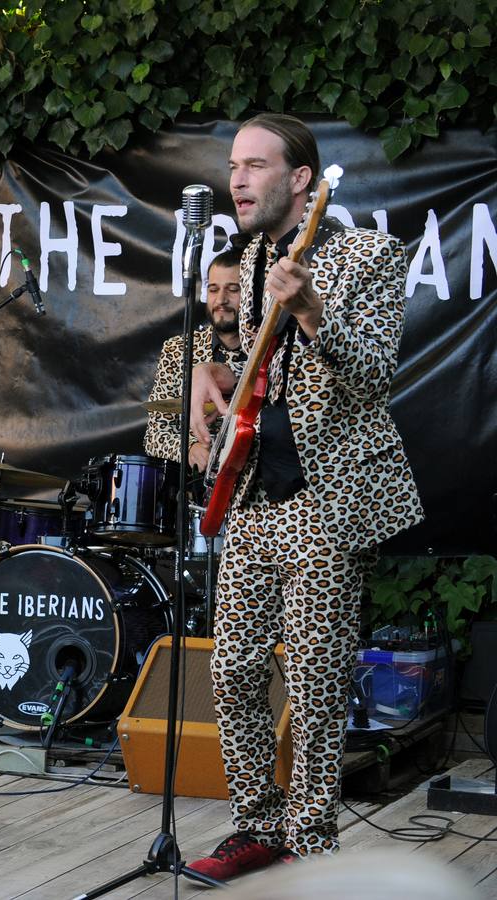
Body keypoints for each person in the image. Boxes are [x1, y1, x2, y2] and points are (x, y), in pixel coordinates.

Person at [185, 114, 424, 878]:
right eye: (233, 165)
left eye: (255, 165)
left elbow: (374, 374)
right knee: (232, 670)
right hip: (255, 491)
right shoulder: (253, 259)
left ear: (301, 180)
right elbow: (256, 365)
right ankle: (256, 824)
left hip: (328, 498)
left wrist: (313, 310)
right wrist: (212, 372)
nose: (238, 178)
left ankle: (312, 840)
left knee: (317, 676)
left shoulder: (368, 255)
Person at [143, 247, 245, 469]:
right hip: (199, 485)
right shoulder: (178, 350)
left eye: (233, 289)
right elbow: (155, 433)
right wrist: (190, 448)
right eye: (213, 289)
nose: (221, 300)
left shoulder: (269, 348)